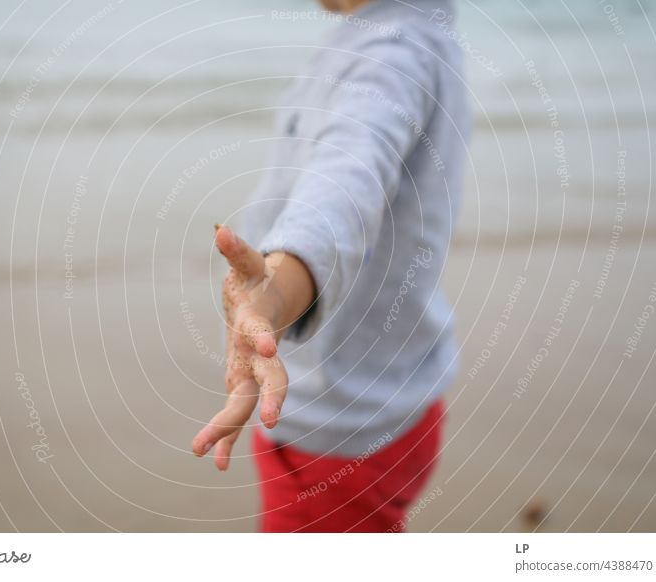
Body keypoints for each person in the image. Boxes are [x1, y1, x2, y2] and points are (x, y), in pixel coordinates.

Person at [192, 0, 469, 532]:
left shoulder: (393, 53)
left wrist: (272, 296)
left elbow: (349, 175)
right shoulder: (404, 33)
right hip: (393, 394)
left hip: (339, 430)